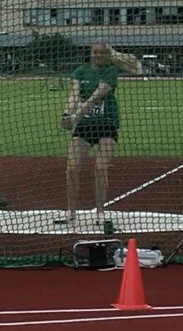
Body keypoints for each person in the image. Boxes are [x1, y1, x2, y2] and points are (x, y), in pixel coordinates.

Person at [55, 41, 140, 227]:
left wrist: (76, 115)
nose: (98, 56)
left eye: (102, 53)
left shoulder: (110, 72)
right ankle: (70, 212)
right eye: (95, 52)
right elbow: (74, 96)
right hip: (85, 126)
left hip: (107, 124)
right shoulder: (80, 72)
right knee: (72, 168)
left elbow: (96, 97)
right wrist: (67, 114)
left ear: (107, 54)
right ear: (91, 52)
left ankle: (101, 212)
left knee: (101, 168)